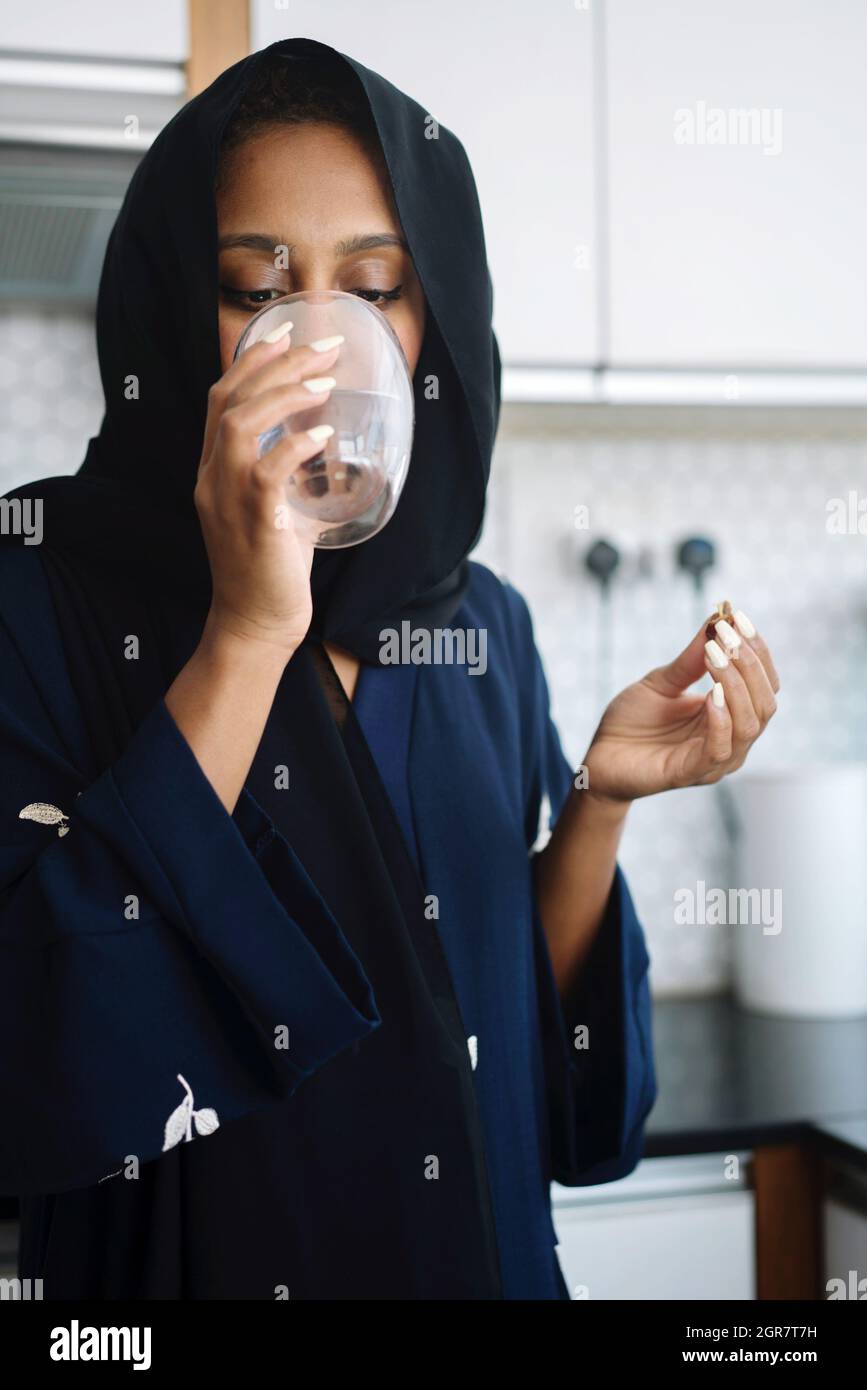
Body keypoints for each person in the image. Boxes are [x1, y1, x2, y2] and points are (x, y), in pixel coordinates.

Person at [0, 39, 779, 1300]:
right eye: (259, 290)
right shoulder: (42, 589)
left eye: (375, 288)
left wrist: (601, 802)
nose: (321, 341)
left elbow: (509, 1042)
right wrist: (249, 629)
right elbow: (41, 1045)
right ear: (175, 312)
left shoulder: (482, 624)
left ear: (432, 329)